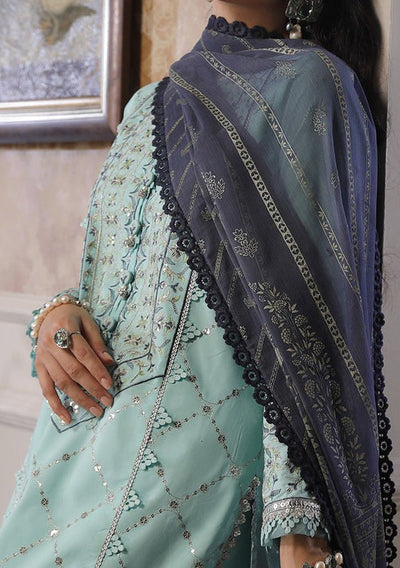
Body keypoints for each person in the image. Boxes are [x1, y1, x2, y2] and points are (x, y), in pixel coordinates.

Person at [0, 0, 396, 566]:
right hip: (70, 459)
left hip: (190, 480)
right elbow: (104, 280)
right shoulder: (146, 105)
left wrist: (300, 527)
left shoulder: (310, 83)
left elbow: (309, 334)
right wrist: (56, 319)